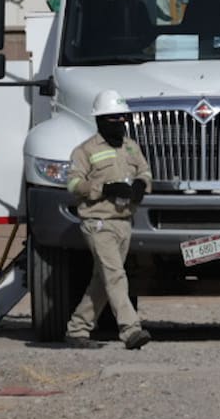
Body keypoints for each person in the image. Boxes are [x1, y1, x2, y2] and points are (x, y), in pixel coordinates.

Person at [64, 89, 153, 350]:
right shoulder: (85, 151)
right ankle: (131, 330)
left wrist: (141, 185)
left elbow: (145, 171)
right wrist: (103, 189)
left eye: (122, 118)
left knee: (103, 281)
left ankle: (77, 329)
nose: (119, 123)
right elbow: (73, 184)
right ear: (100, 120)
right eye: (113, 118)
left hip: (124, 223)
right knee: (115, 276)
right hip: (98, 223)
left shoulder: (130, 147)